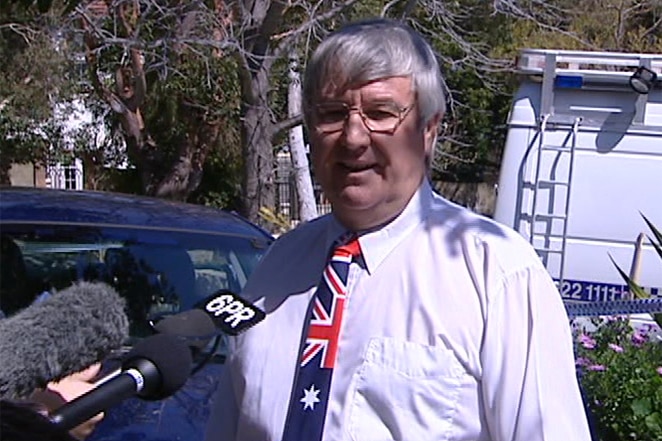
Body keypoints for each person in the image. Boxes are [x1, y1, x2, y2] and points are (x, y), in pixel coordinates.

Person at [204, 18, 591, 441]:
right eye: (332, 114)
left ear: (429, 129)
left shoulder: (496, 274)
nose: (353, 137)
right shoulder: (278, 267)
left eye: (380, 113)